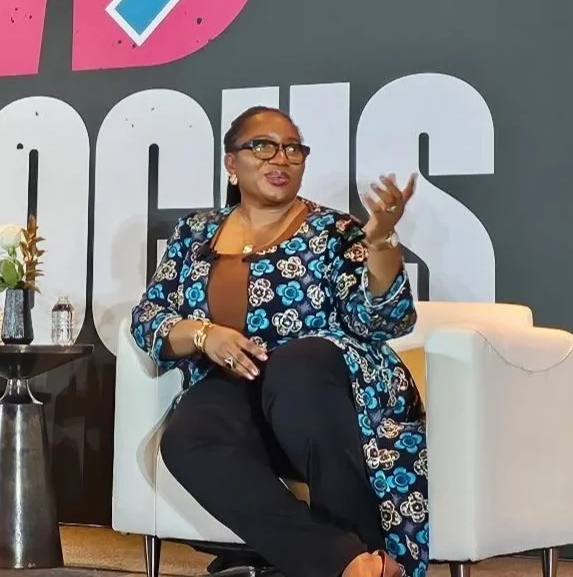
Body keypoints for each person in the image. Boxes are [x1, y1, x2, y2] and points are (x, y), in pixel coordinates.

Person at [131, 106, 428, 577]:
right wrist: (206, 335)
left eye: (293, 148)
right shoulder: (194, 232)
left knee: (297, 366)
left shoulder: (334, 230)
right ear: (232, 162)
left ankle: (362, 542)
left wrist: (381, 242)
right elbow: (149, 317)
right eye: (263, 146)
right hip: (233, 385)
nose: (281, 158)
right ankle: (347, 562)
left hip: (324, 390)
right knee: (188, 439)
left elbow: (383, 320)